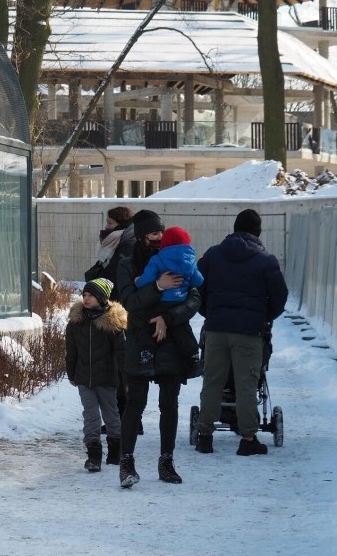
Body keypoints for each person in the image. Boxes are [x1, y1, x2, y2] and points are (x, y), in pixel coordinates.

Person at [117, 209, 201, 488]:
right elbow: (129, 302)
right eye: (154, 233)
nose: (159, 238)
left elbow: (194, 299)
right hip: (141, 339)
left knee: (169, 403)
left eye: (161, 232)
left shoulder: (178, 258)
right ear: (141, 237)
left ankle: (166, 462)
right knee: (135, 403)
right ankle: (126, 463)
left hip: (172, 340)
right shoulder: (127, 265)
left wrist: (168, 317)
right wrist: (157, 285)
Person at [195, 209, 288, 456]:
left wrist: (209, 313)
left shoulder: (213, 255)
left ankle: (205, 436)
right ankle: (248, 439)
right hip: (249, 332)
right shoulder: (266, 260)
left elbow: (197, 288)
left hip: (216, 330)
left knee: (213, 380)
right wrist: (263, 318)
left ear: (235, 228)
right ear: (257, 231)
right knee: (247, 384)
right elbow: (280, 298)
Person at [65, 278, 127, 472]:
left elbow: (122, 353)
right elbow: (71, 350)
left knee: (111, 415)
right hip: (84, 378)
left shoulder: (113, 324)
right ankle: (93, 456)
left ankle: (115, 451)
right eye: (84, 294)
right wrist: (71, 372)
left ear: (101, 297)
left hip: (107, 378)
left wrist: (127, 378)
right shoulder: (76, 323)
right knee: (90, 416)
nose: (86, 298)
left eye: (91, 295)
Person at [87, 206, 135, 431]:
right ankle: (124, 418)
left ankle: (126, 418)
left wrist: (97, 277)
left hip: (120, 313)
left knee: (119, 366)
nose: (106, 227)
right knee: (117, 366)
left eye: (110, 224)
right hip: (114, 312)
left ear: (121, 226)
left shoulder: (125, 245)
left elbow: (113, 278)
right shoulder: (117, 243)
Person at [135, 226, 204, 303]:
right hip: (182, 299)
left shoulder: (157, 259)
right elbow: (198, 281)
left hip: (162, 300)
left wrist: (138, 282)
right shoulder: (190, 261)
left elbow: (148, 278)